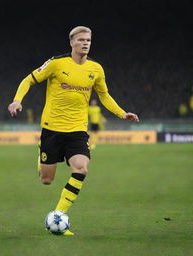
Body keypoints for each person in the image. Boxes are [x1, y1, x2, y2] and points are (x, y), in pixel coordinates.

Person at [8, 26, 139, 236]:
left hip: (77, 130)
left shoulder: (96, 69)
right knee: (46, 179)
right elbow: (28, 80)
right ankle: (41, 155)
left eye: (88, 40)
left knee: (81, 168)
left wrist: (122, 113)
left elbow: (104, 95)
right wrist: (17, 100)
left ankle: (59, 214)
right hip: (52, 129)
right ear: (71, 42)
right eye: (81, 40)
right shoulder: (56, 63)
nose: (85, 43)